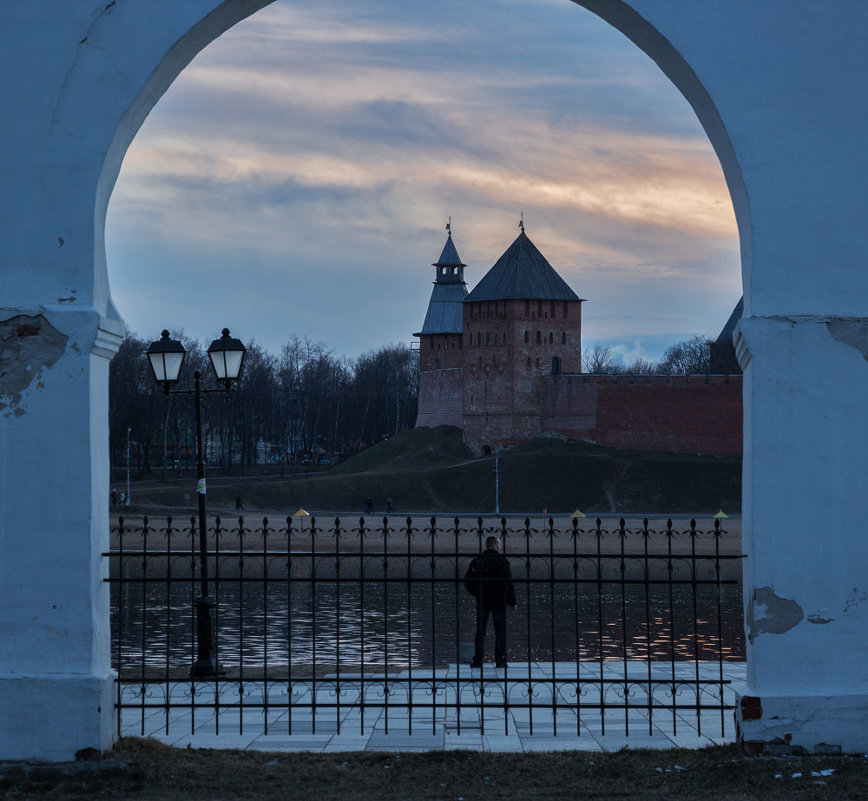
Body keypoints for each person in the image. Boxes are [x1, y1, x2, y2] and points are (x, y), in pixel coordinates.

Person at [464, 535, 516, 668]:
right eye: (499, 544)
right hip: (499, 600)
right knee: (500, 631)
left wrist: (477, 593)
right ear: (494, 546)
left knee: (480, 631)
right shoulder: (502, 561)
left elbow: (468, 581)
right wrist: (512, 601)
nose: (500, 546)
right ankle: (500, 660)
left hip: (483, 600)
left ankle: (478, 660)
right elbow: (508, 582)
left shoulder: (478, 560)